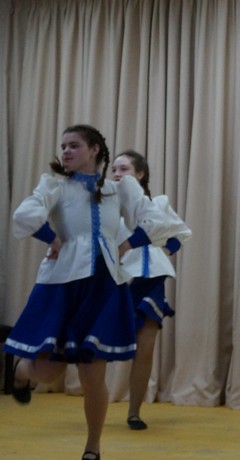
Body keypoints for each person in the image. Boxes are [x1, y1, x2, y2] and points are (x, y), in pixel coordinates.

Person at [3, 125, 190, 460]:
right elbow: (25, 215)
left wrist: (126, 245)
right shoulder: (55, 184)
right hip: (62, 286)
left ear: (94, 150)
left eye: (74, 145)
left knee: (93, 375)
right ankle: (20, 372)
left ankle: (93, 448)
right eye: (63, 146)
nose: (66, 151)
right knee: (49, 372)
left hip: (104, 287)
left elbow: (157, 221)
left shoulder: (119, 189)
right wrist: (53, 239)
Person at [111, 150, 192, 431]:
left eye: (123, 169)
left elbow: (180, 234)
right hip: (120, 279)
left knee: (145, 349)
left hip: (152, 279)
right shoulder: (108, 206)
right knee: (104, 346)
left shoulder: (159, 203)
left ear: (140, 174)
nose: (117, 174)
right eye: (114, 170)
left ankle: (134, 412)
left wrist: (162, 249)